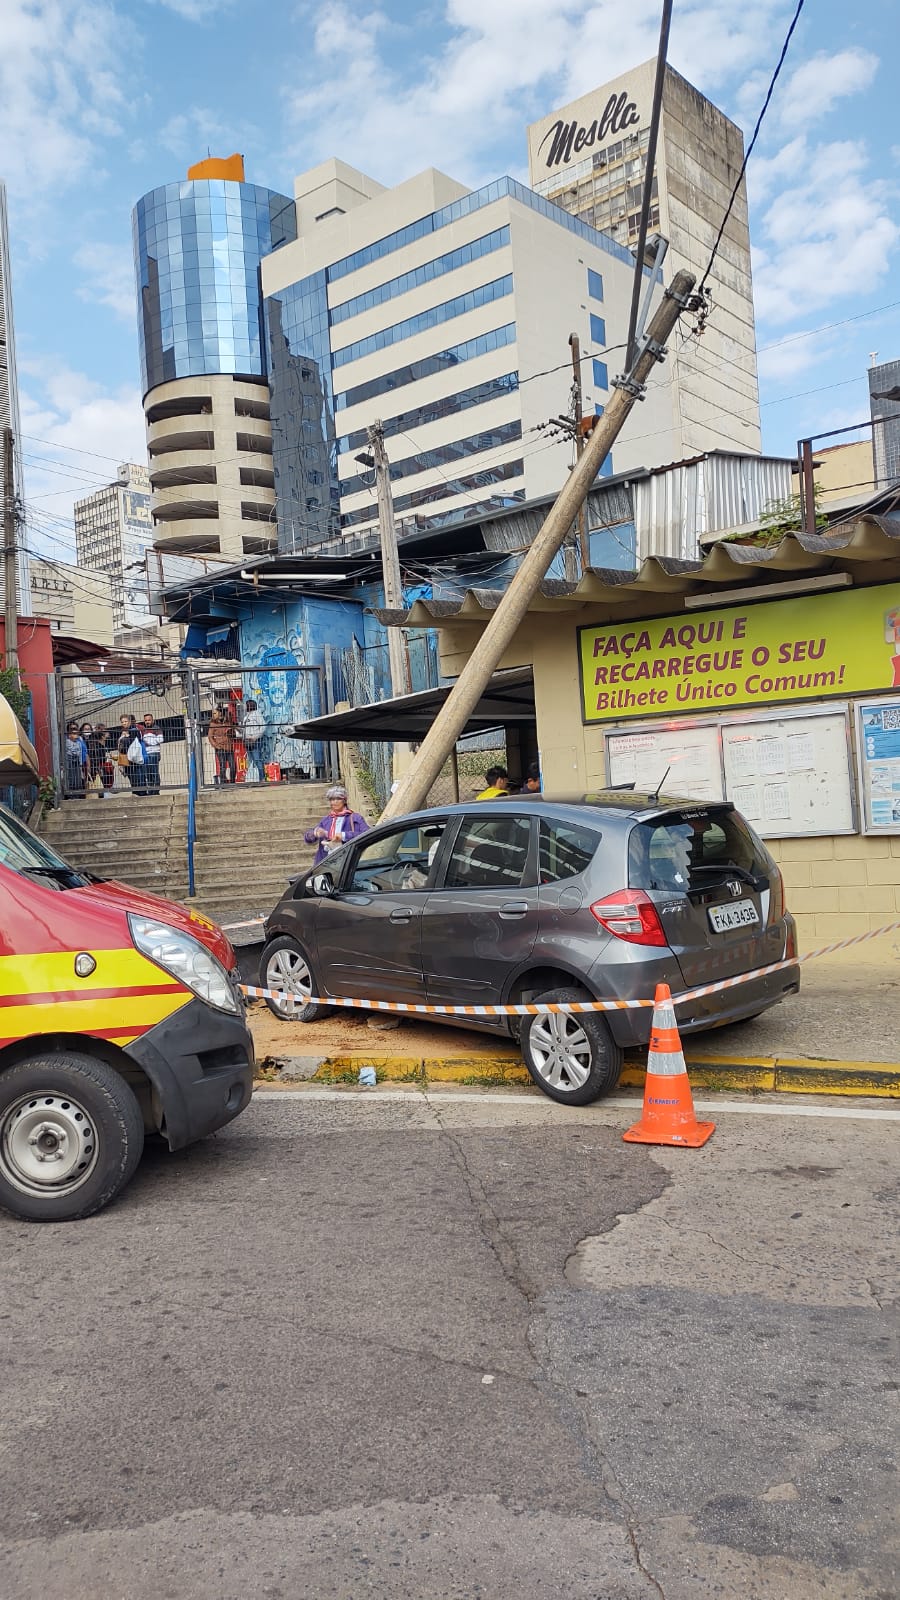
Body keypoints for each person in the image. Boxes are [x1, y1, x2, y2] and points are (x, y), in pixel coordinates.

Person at [304, 786, 368, 866]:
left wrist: (344, 835)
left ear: (344, 800)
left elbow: (367, 834)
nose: (335, 802)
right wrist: (315, 833)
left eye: (338, 799)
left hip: (347, 862)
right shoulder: (326, 820)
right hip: (326, 862)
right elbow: (308, 838)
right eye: (332, 799)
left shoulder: (355, 818)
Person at [117, 713, 144, 794]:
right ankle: (135, 793)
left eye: (125, 721)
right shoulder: (123, 731)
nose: (124, 723)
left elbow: (135, 741)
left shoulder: (134, 730)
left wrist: (125, 738)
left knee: (137, 779)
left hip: (134, 759)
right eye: (122, 722)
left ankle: (140, 794)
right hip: (126, 759)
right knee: (132, 779)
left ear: (129, 721)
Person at [83, 722, 113, 797]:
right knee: (99, 787)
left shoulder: (102, 745)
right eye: (106, 731)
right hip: (98, 769)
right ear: (102, 735)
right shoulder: (98, 745)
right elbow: (96, 758)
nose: (108, 733)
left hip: (100, 768)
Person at [208, 706, 235, 785]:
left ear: (220, 713)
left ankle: (233, 782)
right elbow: (210, 736)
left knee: (233, 766)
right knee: (223, 766)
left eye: (215, 713)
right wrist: (216, 745)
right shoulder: (213, 723)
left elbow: (232, 730)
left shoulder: (227, 721)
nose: (213, 715)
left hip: (229, 747)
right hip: (220, 747)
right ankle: (223, 783)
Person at [242, 699, 266, 783]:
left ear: (249, 705)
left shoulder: (257, 714)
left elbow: (263, 727)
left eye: (246, 705)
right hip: (247, 742)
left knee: (257, 759)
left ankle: (262, 778)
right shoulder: (246, 716)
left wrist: (255, 737)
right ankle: (253, 778)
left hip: (255, 741)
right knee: (251, 760)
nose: (244, 706)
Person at [141, 713, 164, 796]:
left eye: (149, 720)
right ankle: (150, 791)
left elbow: (161, 739)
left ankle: (156, 791)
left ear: (152, 720)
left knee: (154, 773)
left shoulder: (156, 728)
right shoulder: (143, 730)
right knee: (148, 774)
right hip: (146, 754)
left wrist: (148, 742)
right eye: (146, 720)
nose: (147, 722)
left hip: (154, 753)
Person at [65, 721, 88, 797]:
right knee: (71, 778)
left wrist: (81, 764)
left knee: (78, 779)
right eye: (74, 734)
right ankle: (71, 795)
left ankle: (77, 795)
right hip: (70, 761)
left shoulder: (79, 742)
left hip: (78, 762)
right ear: (69, 735)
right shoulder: (67, 742)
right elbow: (73, 751)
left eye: (77, 734)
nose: (76, 736)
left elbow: (80, 753)